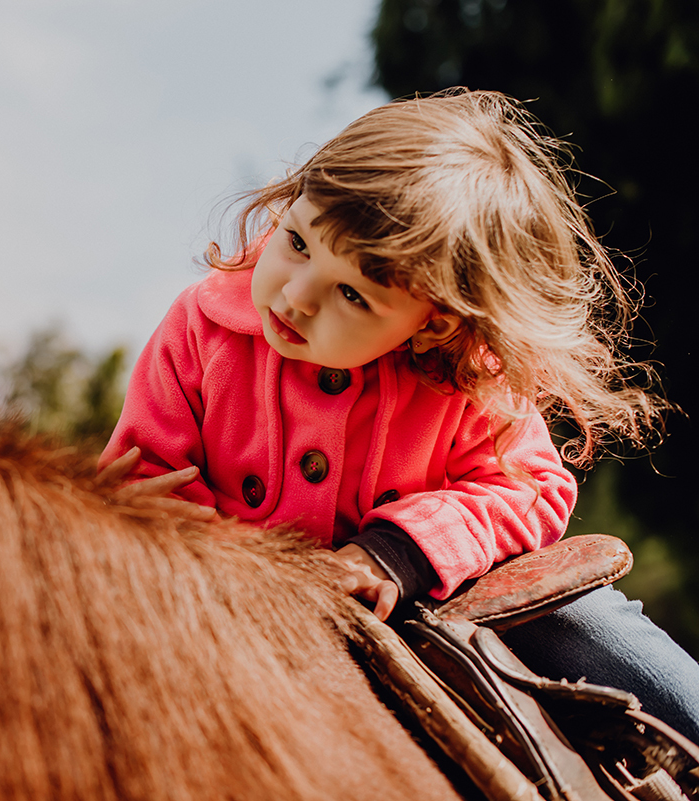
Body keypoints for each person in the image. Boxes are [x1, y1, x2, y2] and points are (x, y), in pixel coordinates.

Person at [99, 89, 699, 742]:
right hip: (220, 589)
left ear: (433, 319)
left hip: (444, 596)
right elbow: (147, 469)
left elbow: (530, 488)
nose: (296, 296)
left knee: (590, 631)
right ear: (292, 199)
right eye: (297, 240)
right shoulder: (202, 325)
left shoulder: (470, 377)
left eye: (353, 293)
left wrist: (397, 553)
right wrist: (197, 539)